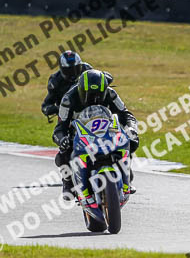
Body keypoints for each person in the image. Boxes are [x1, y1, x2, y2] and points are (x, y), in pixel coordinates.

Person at [53, 69, 139, 200]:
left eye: (99, 95)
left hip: (106, 129)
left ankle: (126, 172)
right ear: (81, 91)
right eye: (90, 95)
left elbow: (126, 115)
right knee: (63, 153)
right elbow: (59, 128)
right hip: (79, 133)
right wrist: (62, 139)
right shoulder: (68, 99)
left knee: (131, 141)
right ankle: (68, 181)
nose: (94, 99)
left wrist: (131, 129)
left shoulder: (111, 94)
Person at [41, 51, 96, 117]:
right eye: (69, 70)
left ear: (80, 66)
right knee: (61, 127)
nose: (73, 73)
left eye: (76, 69)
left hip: (92, 111)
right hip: (68, 116)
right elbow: (46, 105)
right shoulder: (55, 81)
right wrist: (56, 109)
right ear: (61, 69)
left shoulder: (87, 70)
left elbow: (100, 79)